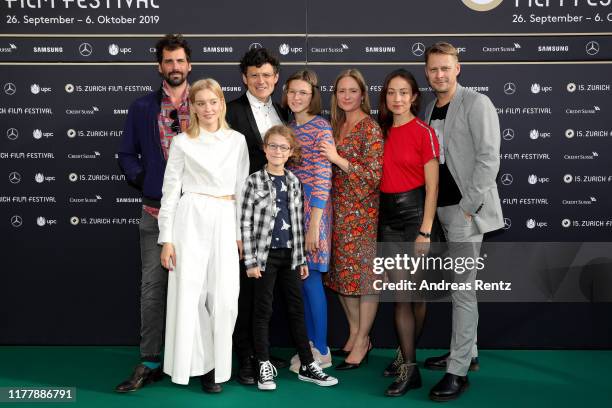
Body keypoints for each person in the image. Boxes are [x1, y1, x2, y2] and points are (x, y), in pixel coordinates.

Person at [423, 42, 503, 401]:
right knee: (460, 289)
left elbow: (489, 158)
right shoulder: (429, 107)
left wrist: (470, 207)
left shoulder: (477, 102)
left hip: (465, 212)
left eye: (446, 68)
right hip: (440, 211)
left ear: (458, 68)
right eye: (433, 69)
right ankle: (466, 354)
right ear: (427, 72)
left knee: (463, 292)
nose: (439, 74)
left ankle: (457, 372)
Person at [157, 78, 249, 393]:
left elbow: (241, 189)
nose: (207, 108)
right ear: (192, 108)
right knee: (189, 295)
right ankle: (198, 365)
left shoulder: (237, 141)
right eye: (200, 103)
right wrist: (166, 238)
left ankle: (218, 366)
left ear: (221, 104)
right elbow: (169, 192)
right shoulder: (183, 142)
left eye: (213, 101)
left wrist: (240, 233)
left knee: (225, 300)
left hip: (225, 219)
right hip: (190, 219)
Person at [115, 34, 192, 393]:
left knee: (200, 290)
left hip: (197, 214)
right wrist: (146, 180)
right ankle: (149, 361)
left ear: (189, 65)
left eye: (180, 61)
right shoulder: (143, 107)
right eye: (168, 61)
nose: (174, 67)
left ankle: (197, 362)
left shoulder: (209, 104)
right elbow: (126, 154)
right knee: (152, 289)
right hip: (155, 212)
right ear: (160, 66)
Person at [240, 125, 339, 391]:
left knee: (296, 310)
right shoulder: (253, 181)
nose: (277, 151)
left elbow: (296, 223)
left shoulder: (294, 182)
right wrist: (250, 261)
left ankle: (308, 364)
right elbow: (246, 224)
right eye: (273, 145)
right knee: (263, 311)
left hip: (291, 258)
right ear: (265, 148)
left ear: (291, 152)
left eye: (283, 147)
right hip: (263, 258)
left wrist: (302, 259)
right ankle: (263, 365)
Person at [226, 47, 289, 385]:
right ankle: (246, 358)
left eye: (267, 75)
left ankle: (262, 350)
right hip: (245, 215)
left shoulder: (282, 111)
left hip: (278, 218)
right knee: (247, 291)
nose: (261, 80)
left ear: (275, 78)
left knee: (269, 290)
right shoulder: (231, 112)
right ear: (244, 79)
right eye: (254, 76)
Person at [376, 69, 439, 397]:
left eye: (403, 92)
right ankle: (407, 354)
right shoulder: (381, 132)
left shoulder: (424, 132)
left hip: (415, 217)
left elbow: (432, 188)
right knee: (401, 295)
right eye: (391, 93)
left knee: (412, 296)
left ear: (414, 96)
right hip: (387, 219)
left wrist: (425, 232)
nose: (397, 99)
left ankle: (409, 368)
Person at [320, 69, 384, 370]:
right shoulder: (335, 125)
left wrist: (338, 159)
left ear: (362, 94)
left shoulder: (369, 128)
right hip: (336, 209)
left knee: (363, 278)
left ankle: (362, 339)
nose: (346, 96)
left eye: (352, 91)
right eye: (341, 91)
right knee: (341, 275)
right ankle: (357, 333)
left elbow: (373, 176)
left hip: (362, 212)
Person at [282, 69, 333, 372]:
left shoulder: (321, 128)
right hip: (291, 212)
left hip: (314, 212)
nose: (297, 97)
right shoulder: (287, 128)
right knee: (302, 281)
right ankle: (310, 346)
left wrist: (314, 223)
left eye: (303, 92)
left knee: (312, 279)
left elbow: (323, 176)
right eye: (292, 92)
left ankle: (322, 350)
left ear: (312, 96)